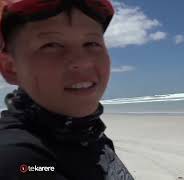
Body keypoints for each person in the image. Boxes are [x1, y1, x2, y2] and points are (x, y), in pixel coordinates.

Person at [0, 0, 134, 179]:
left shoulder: (86, 130)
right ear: (10, 68)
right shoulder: (21, 160)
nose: (83, 62)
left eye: (91, 43)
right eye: (51, 45)